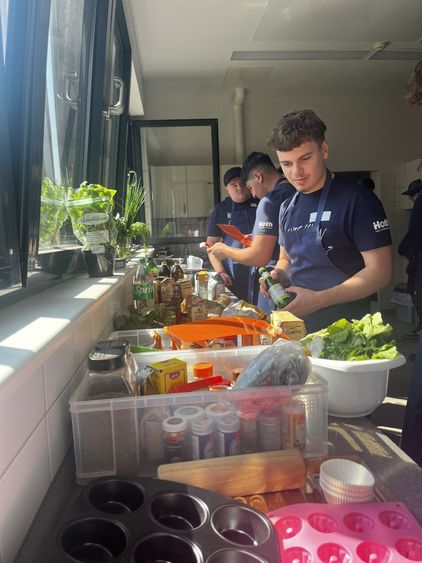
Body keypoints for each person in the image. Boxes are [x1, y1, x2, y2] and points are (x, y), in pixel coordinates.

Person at [264, 108, 392, 332]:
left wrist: (320, 299)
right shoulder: (287, 207)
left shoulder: (358, 200)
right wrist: (278, 275)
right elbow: (286, 259)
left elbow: (380, 272)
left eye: (305, 159)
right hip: (299, 326)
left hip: (348, 330)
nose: (296, 172)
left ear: (323, 150)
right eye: (286, 164)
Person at [207, 152, 295, 310]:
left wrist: (225, 250)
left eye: (249, 187)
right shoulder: (297, 192)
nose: (253, 193)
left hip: (276, 283)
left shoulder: (269, 202)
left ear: (258, 177)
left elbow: (259, 256)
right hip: (302, 280)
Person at [206, 166, 259, 301]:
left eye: (242, 183)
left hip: (261, 268)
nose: (239, 188)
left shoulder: (261, 202)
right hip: (233, 274)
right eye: (233, 185)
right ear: (227, 188)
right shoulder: (221, 209)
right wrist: (221, 272)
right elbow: (210, 245)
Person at [398, 178, 422, 338]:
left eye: (412, 195)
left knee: (418, 293)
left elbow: (414, 232)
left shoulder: (420, 204)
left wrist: (403, 249)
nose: (411, 199)